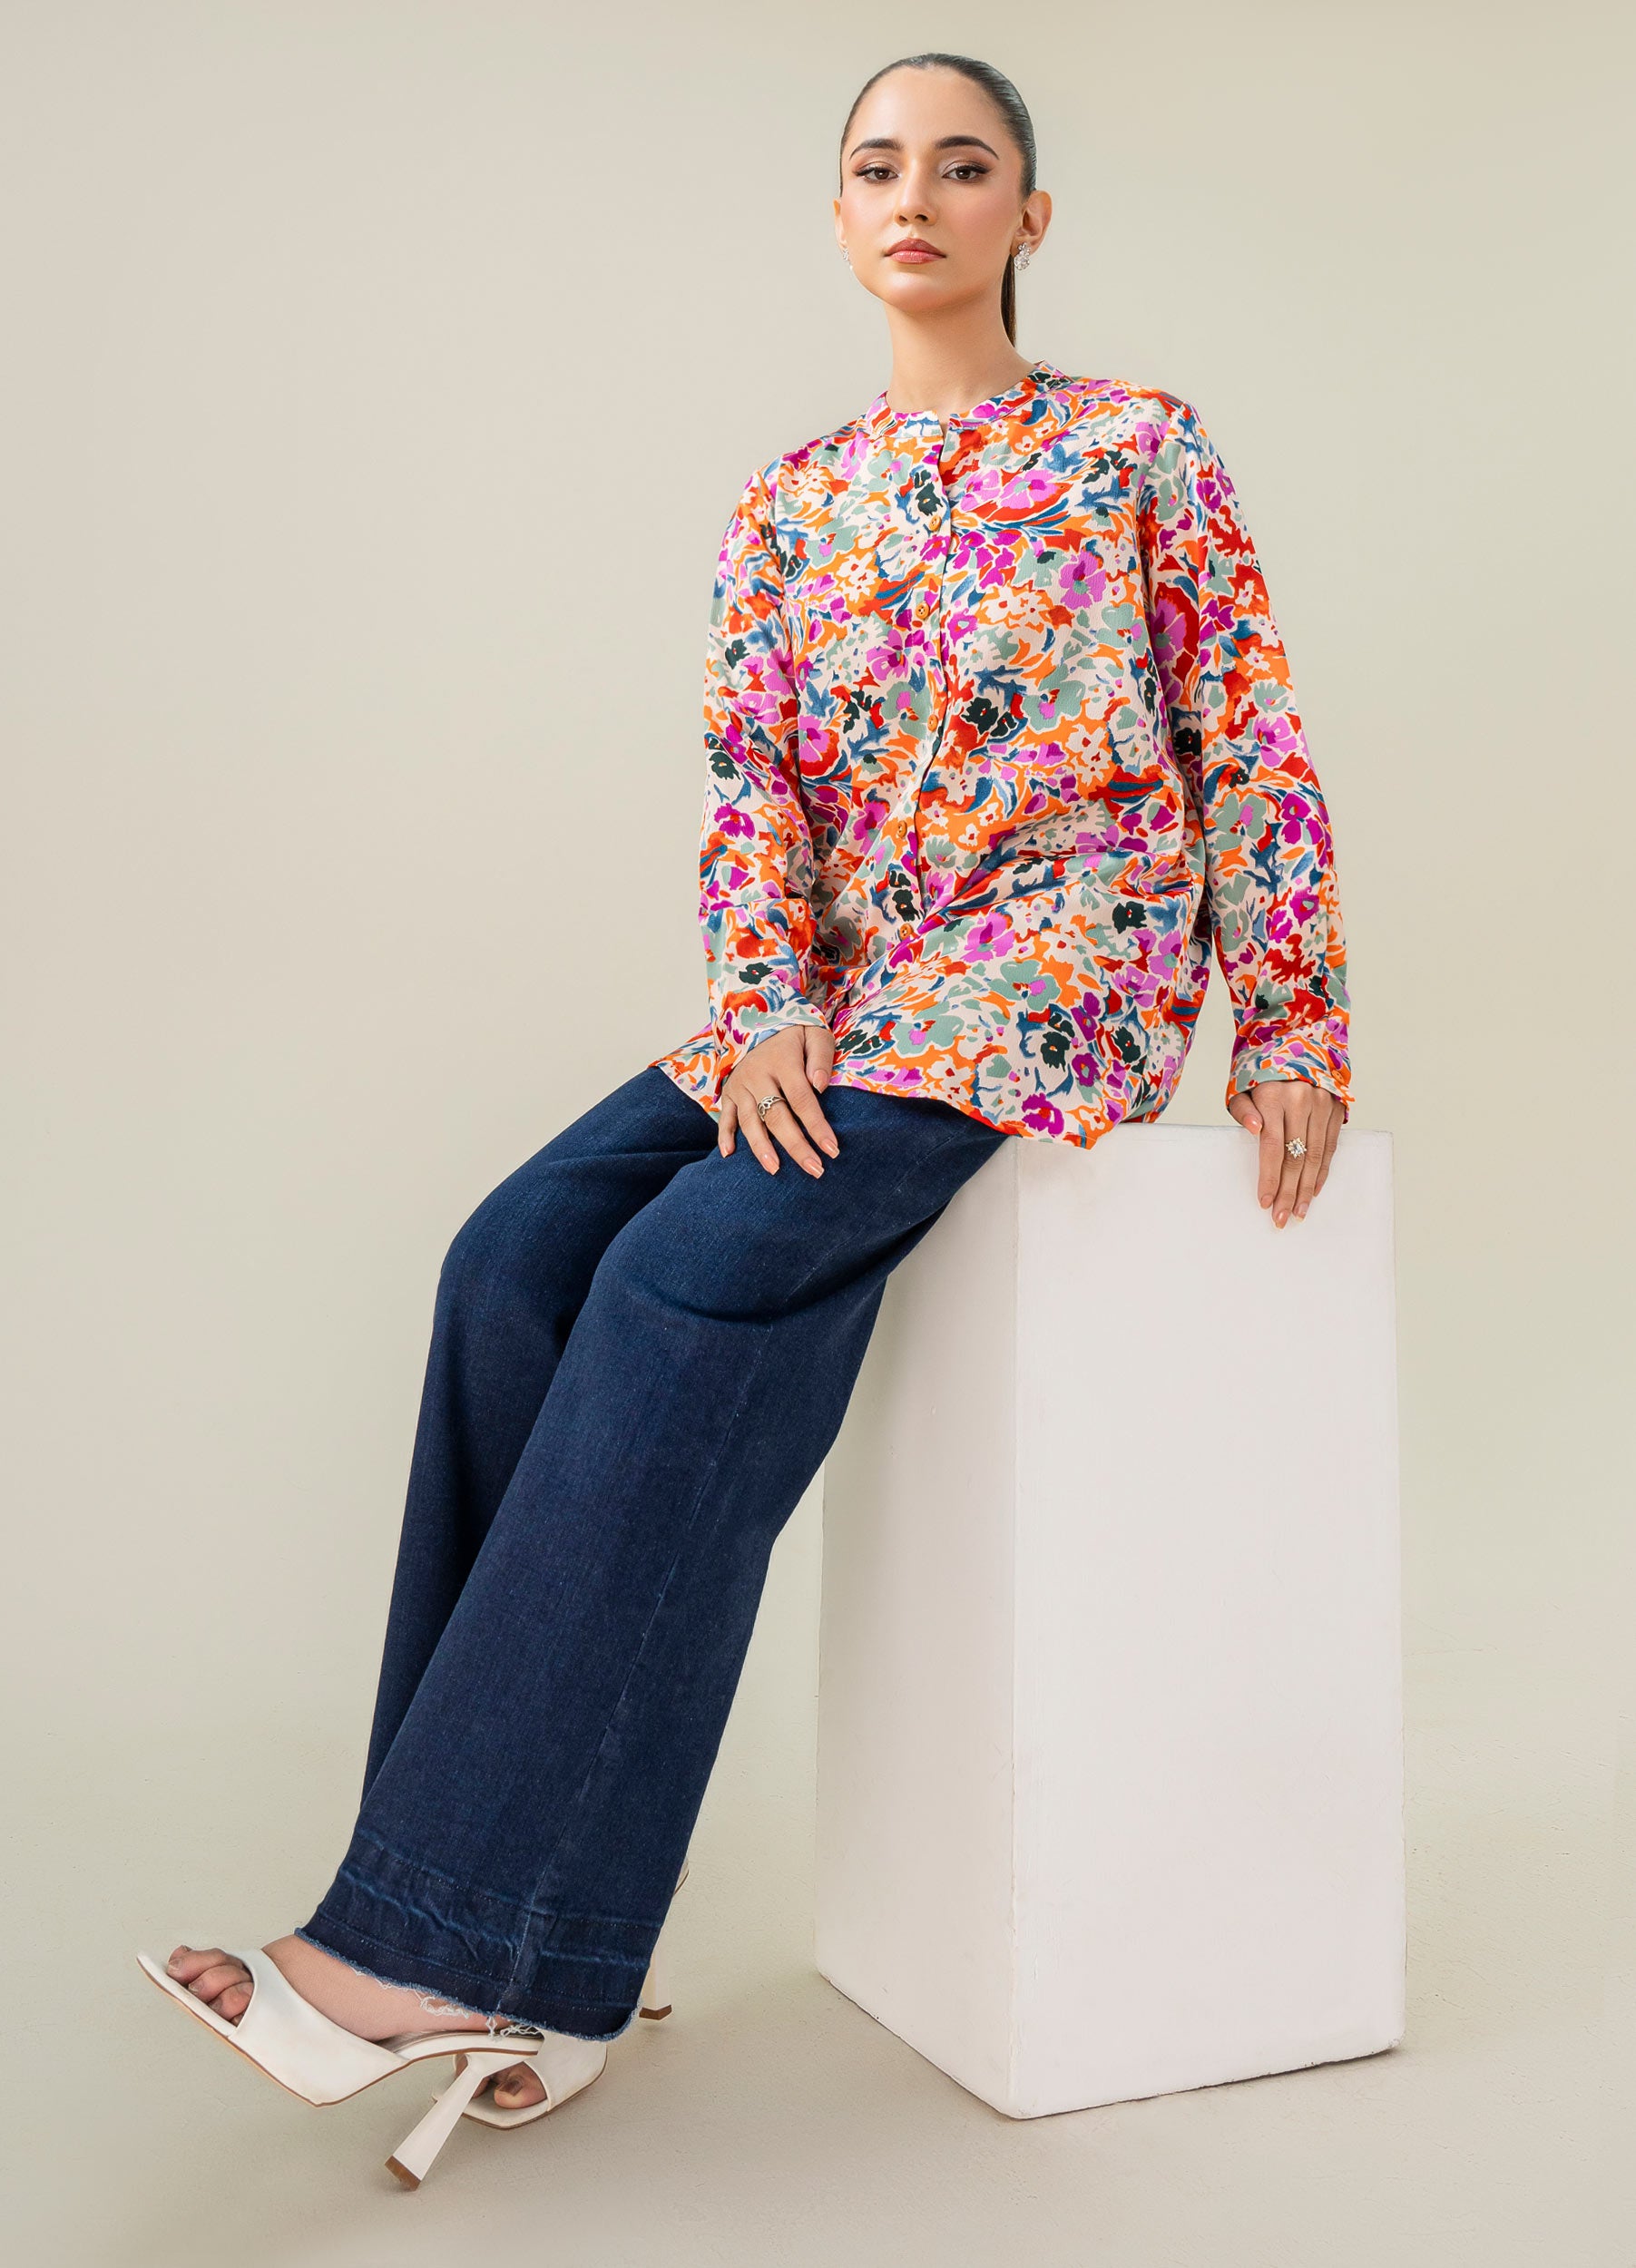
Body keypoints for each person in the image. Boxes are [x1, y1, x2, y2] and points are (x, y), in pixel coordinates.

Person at [140, 49, 1353, 2182]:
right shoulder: (789, 500)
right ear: (839, 213)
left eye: (962, 166)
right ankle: (544, 1949)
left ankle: (425, 1940)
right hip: (840, 988)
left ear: (1027, 217)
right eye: (878, 166)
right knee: (515, 1258)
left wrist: (1289, 1021)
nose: (916, 197)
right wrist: (764, 998)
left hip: (1042, 971)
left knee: (684, 1276)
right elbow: (750, 792)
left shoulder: (1132, 447)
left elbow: (1244, 736)